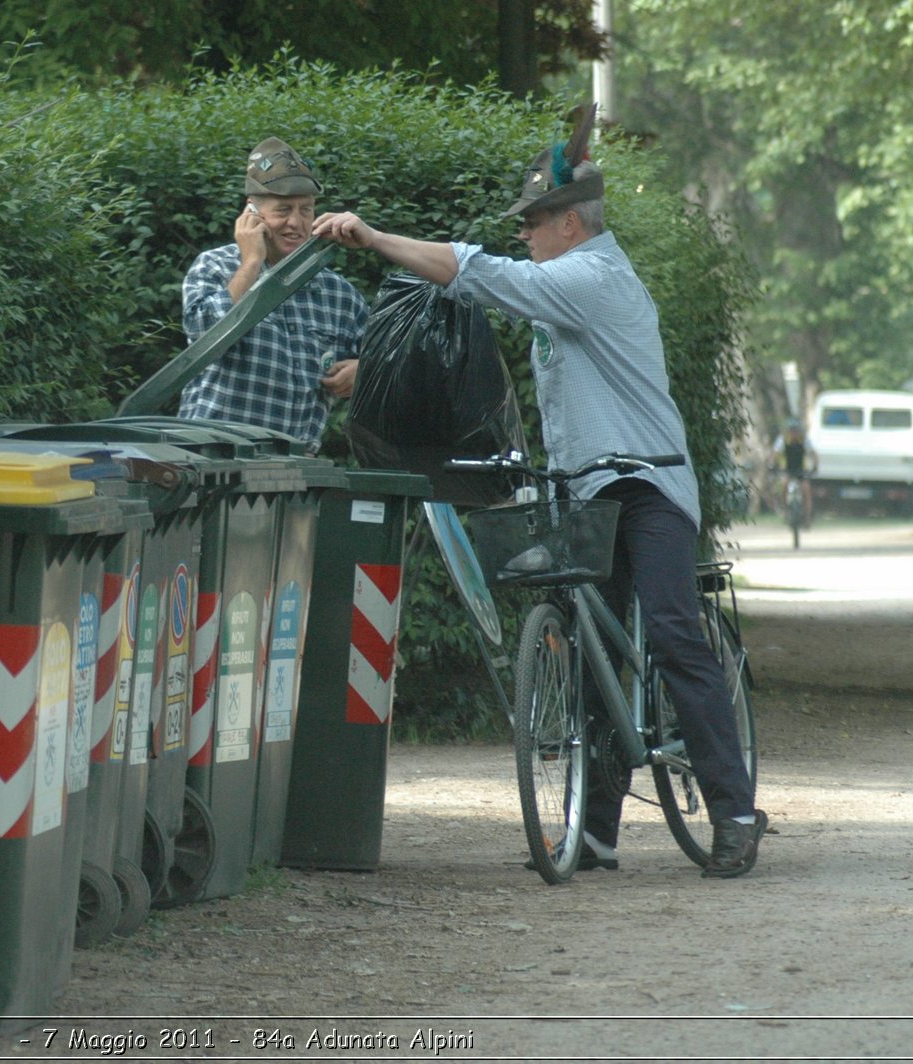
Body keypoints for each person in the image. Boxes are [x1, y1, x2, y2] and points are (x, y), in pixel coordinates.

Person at [312, 105, 767, 878]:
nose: (522, 232)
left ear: (570, 224)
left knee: (668, 624)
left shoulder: (593, 277)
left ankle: (734, 811)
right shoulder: (563, 285)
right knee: (592, 651)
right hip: (587, 486)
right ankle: (595, 836)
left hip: (649, 482)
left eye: (532, 221)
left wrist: (376, 238)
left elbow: (480, 274)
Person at [178, 137, 368, 451]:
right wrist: (252, 262)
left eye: (305, 211)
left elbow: (385, 369)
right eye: (283, 211)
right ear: (251, 214)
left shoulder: (340, 295)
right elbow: (201, 337)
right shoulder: (215, 267)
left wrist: (363, 371)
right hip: (209, 456)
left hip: (295, 468)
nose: (296, 223)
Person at [769, 418, 817, 525]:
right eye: (791, 430)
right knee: (784, 485)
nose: (793, 433)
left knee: (806, 489)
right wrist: (771, 465)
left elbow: (813, 453)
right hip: (787, 469)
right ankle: (785, 511)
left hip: (801, 469)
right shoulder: (782, 440)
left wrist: (815, 465)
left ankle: (807, 517)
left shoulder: (804, 440)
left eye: (795, 430)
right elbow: (774, 454)